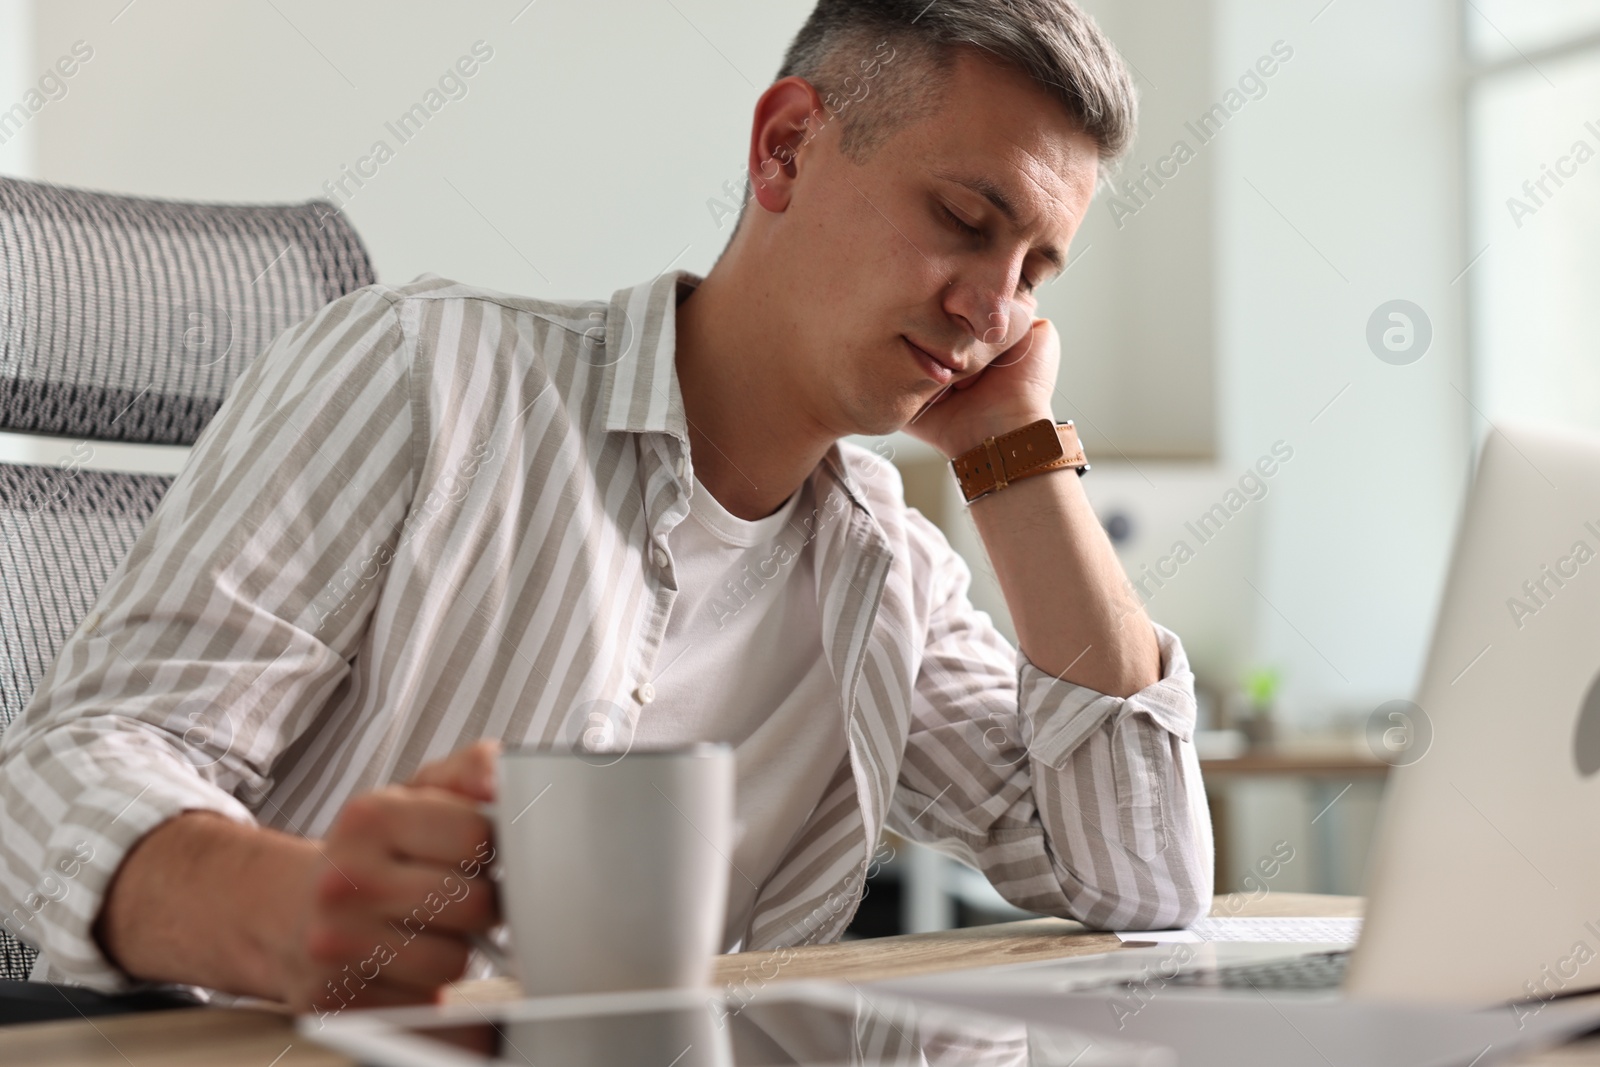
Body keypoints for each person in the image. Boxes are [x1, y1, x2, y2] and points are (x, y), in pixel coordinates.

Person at [0, 0, 1213, 1012]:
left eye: (1035, 273)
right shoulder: (427, 374)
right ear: (786, 147)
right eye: (965, 220)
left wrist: (1015, 454)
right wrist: (284, 910)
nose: (991, 310)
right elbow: (63, 765)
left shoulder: (887, 575)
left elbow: (1140, 876)